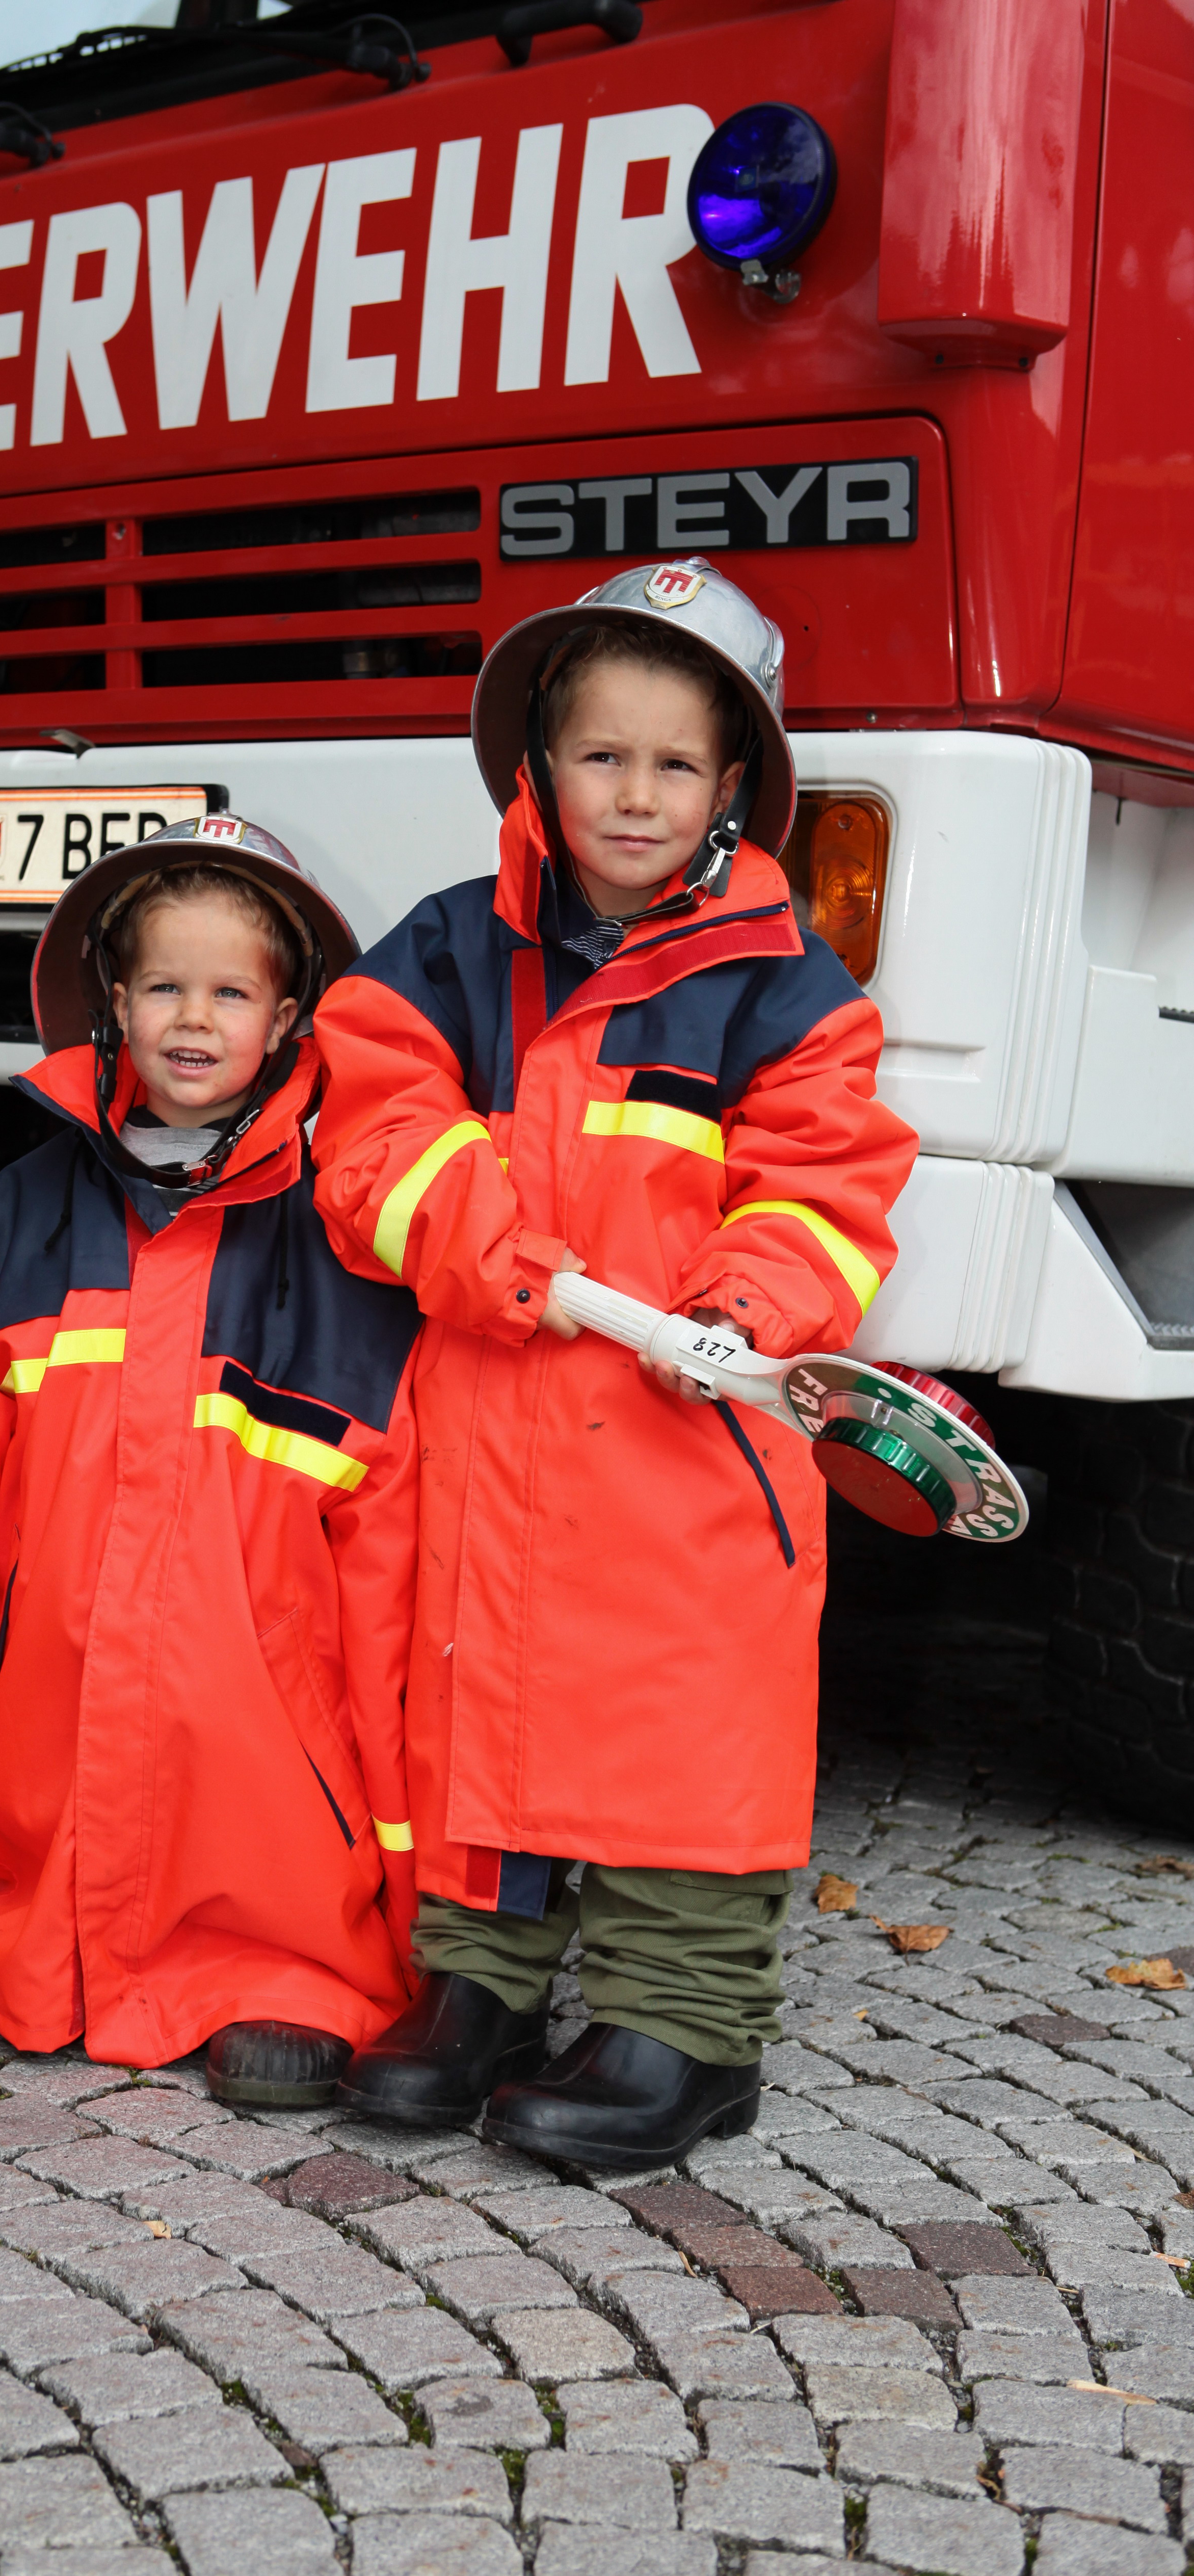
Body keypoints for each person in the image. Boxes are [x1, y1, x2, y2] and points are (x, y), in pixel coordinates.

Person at [310, 559, 918, 2170]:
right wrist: (499, 1250)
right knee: (480, 1695)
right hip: (493, 1412)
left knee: (680, 1714)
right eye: (600, 754)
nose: (634, 794)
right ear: (537, 765)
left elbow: (831, 1186)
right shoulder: (445, 953)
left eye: (672, 763)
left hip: (686, 1434)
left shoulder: (789, 990)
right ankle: (484, 1986)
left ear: (730, 788)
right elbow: (371, 1133)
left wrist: (745, 1302)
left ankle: (685, 2023)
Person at [0, 817, 423, 2105]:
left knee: (277, 1792)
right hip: (59, 1802)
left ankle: (291, 1972)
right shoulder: (16, 1222)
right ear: (112, 1002)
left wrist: (439, 1950)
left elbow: (403, 1611)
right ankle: (39, 1931)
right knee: (22, 1756)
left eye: (232, 993)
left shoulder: (349, 1236)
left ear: (289, 1020)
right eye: (163, 985)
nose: (192, 1019)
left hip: (287, 1817)